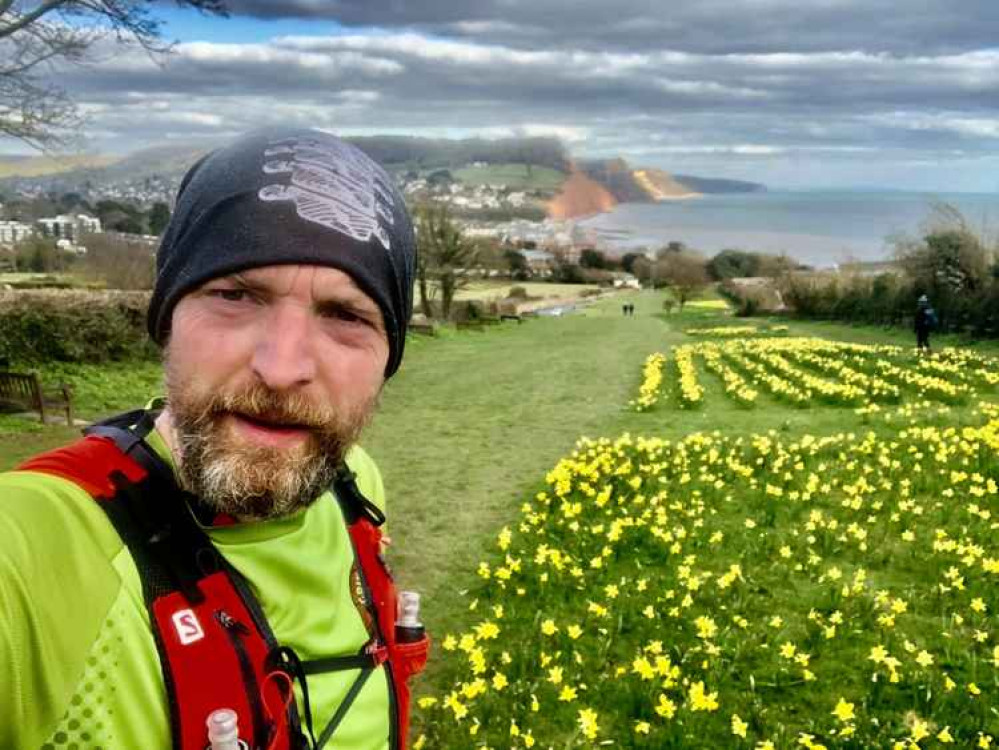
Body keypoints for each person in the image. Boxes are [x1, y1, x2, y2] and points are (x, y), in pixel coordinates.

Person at [0, 129, 429, 750]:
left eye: (345, 315)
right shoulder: (37, 548)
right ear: (167, 318)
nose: (282, 368)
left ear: (388, 354)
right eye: (234, 295)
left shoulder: (355, 480)